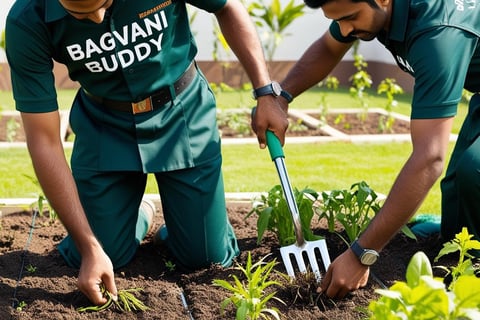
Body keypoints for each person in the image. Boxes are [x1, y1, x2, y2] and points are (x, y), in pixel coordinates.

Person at [5, 0, 288, 305]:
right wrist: (89, 248)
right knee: (98, 255)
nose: (98, 18)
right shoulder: (27, 20)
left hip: (183, 112)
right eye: (82, 14)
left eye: (103, 3)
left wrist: (265, 91)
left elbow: (227, 6)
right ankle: (138, 214)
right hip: (105, 126)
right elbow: (44, 140)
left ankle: (184, 225)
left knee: (205, 257)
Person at [259, 0, 480, 299]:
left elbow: (429, 159)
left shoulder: (437, 33)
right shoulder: (369, 10)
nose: (346, 29)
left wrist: (363, 252)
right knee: (458, 188)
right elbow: (329, 47)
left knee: (473, 169)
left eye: (350, 18)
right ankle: (461, 249)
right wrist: (281, 97)